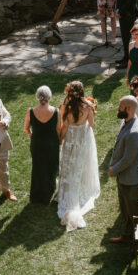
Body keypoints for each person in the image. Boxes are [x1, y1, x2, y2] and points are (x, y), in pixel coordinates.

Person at [56, 81, 100, 231]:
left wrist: (61, 138)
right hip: (83, 138)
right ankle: (80, 188)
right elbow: (92, 124)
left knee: (68, 165)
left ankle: (65, 192)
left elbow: (65, 126)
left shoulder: (66, 107)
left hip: (70, 138)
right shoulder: (87, 106)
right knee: (82, 164)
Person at [108, 96, 138, 244]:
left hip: (131, 179)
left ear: (128, 109)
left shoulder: (134, 132)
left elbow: (128, 158)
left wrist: (114, 170)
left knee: (134, 210)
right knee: (126, 210)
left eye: (120, 106)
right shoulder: (127, 122)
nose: (118, 108)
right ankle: (129, 235)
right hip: (124, 177)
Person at [24, 85, 60, 204]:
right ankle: (48, 191)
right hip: (51, 144)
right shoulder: (56, 111)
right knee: (51, 167)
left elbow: (26, 129)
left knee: (38, 168)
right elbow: (58, 129)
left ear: (37, 97)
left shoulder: (30, 111)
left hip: (37, 144)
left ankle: (36, 195)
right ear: (49, 97)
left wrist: (31, 135)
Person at [114, 0, 138, 67]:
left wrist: (121, 11)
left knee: (127, 37)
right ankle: (125, 56)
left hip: (128, 15)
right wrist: (117, 9)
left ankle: (128, 60)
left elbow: (130, 3)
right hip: (122, 14)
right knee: (124, 37)